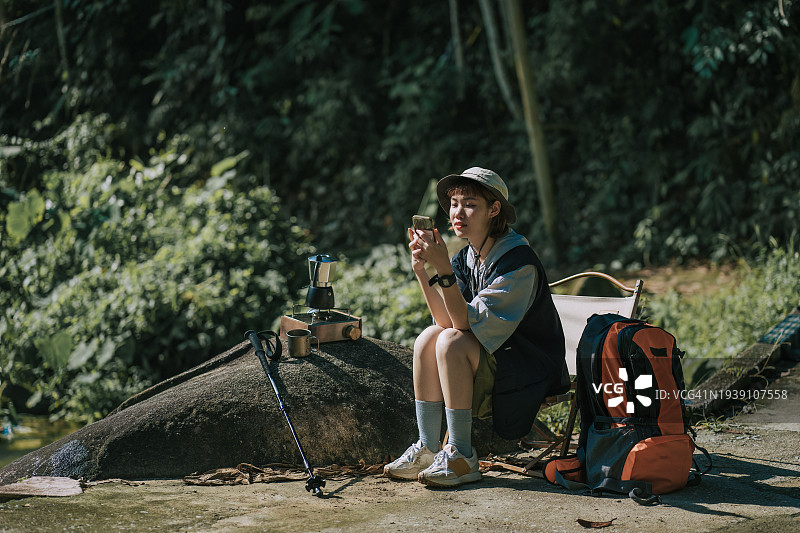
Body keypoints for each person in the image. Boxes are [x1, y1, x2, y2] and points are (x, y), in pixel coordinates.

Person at [384, 167, 567, 487]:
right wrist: (423, 271)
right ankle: (428, 447)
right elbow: (445, 321)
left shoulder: (516, 262)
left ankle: (462, 456)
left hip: (528, 371)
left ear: (493, 209)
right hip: (497, 358)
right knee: (429, 337)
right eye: (454, 204)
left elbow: (461, 325)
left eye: (470, 204)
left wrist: (442, 266)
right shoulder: (469, 256)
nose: (458, 212)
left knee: (451, 342)